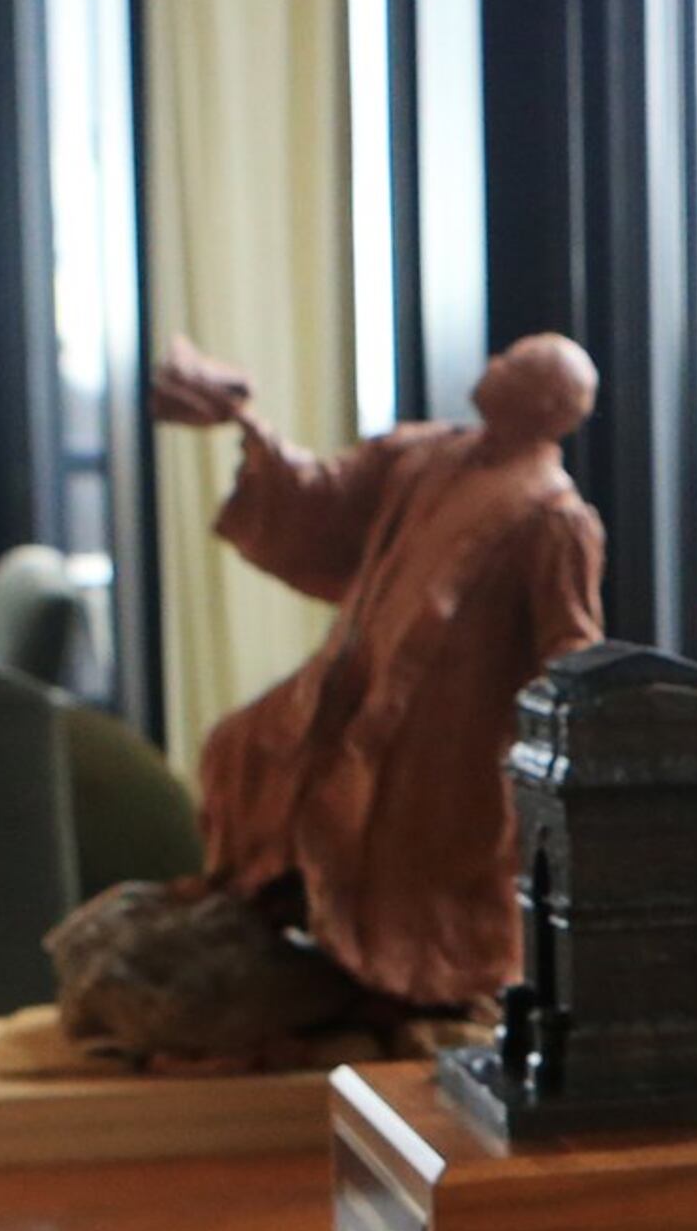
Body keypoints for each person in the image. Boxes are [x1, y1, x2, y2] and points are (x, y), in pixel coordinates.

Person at [150, 331, 607, 1019]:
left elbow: (570, 641)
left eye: (512, 368)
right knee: (239, 746)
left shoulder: (554, 519)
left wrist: (560, 751)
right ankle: (263, 894)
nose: (492, 367)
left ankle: (413, 985)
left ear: (543, 405)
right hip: (350, 680)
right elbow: (325, 495)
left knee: (394, 847)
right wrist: (252, 428)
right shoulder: (430, 453)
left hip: (446, 733)